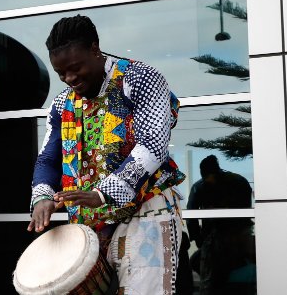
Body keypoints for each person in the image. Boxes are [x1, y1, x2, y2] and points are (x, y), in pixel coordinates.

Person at [28, 15, 186, 294]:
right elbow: (48, 159)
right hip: (88, 224)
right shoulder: (62, 103)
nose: (69, 78)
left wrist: (101, 194)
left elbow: (153, 144)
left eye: (75, 68)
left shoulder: (142, 79)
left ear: (95, 49)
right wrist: (42, 197)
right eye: (61, 73)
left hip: (146, 211)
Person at [187, 155, 254, 294]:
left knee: (210, 279)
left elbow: (191, 216)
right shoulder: (239, 181)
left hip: (217, 236)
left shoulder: (200, 186)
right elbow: (247, 210)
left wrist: (198, 239)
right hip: (239, 234)